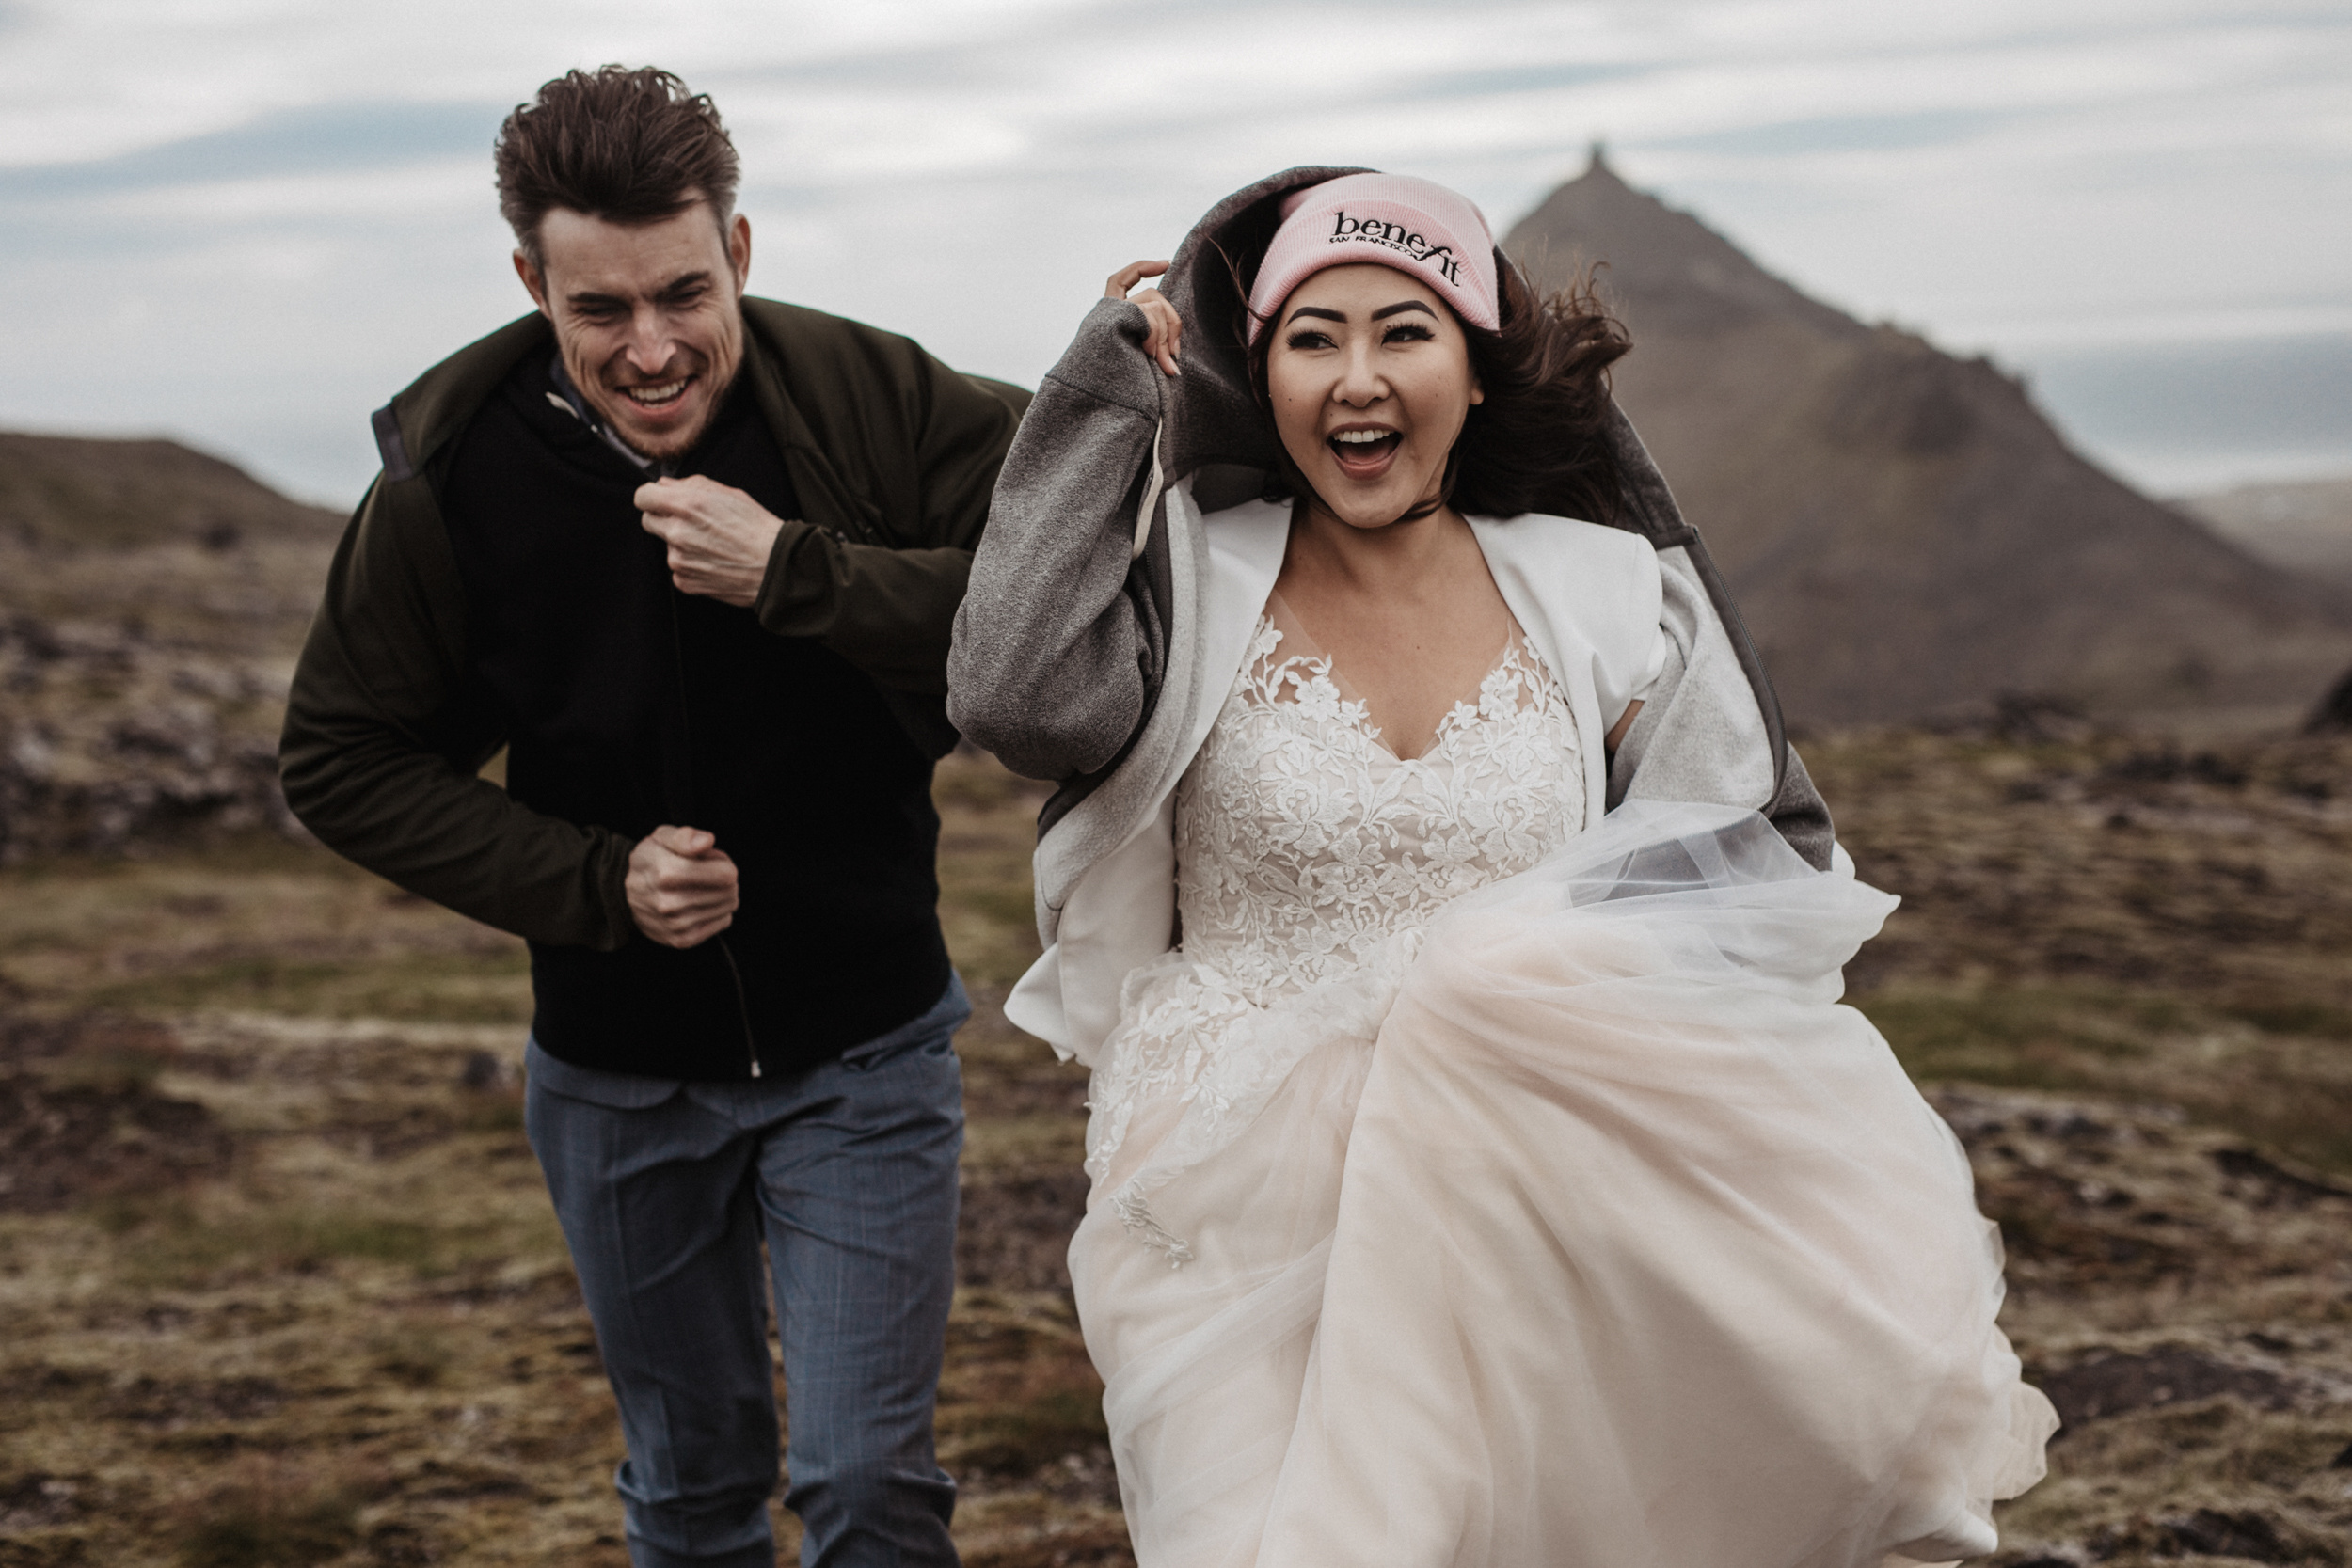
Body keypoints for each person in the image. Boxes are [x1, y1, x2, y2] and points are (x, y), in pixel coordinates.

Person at [946, 169, 2057, 1566]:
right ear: (1260, 374)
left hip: (1536, 1194)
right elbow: (1012, 697)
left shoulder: (1599, 586)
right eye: (1311, 337)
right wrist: (1109, 379)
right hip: (1231, 1195)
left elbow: (1759, 856)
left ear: (1476, 372)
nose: (1359, 377)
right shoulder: (1192, 580)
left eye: (1406, 332)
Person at [279, 66, 1026, 1568]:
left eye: (684, 292)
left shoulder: (875, 398)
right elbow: (340, 755)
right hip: (616, 1083)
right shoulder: (455, 474)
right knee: (690, 1492)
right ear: (529, 283)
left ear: (739, 251)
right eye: (599, 309)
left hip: (866, 1054)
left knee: (868, 1484)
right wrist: (597, 883)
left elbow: (1063, 588)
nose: (652, 346)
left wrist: (800, 573)